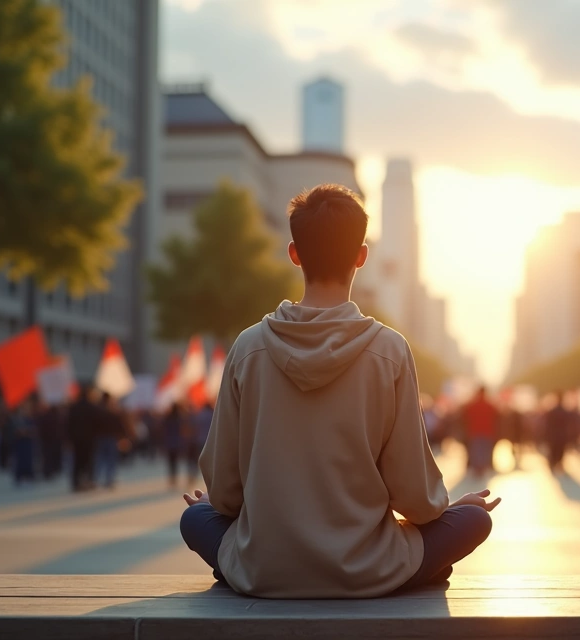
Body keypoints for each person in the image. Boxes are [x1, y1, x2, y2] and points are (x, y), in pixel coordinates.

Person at [179, 184, 496, 598]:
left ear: (294, 253)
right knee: (475, 521)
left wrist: (213, 510)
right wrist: (456, 510)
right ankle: (404, 573)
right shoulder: (389, 349)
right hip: (367, 568)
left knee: (195, 517)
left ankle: (245, 570)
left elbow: (224, 494)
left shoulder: (248, 347)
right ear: (361, 256)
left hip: (263, 568)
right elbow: (416, 501)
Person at [65, 386, 100, 492]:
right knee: (88, 461)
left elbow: (68, 425)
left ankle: (76, 483)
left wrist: (69, 439)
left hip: (76, 439)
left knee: (77, 461)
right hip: (89, 439)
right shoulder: (92, 407)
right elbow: (97, 424)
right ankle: (89, 481)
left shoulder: (74, 407)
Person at [462, 387, 499, 477]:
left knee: (476, 450)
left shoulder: (471, 405)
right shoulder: (490, 405)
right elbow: (496, 419)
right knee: (485, 450)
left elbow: (465, 418)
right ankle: (483, 467)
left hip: (474, 431)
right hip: (488, 431)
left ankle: (477, 468)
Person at [94, 392, 124, 489]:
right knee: (110, 460)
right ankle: (109, 480)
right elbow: (118, 424)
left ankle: (97, 479)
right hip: (110, 438)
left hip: (100, 438)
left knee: (100, 460)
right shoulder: (112, 410)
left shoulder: (97, 411)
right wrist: (122, 437)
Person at [543, 391, 574, 474]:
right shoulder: (565, 412)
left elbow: (547, 426)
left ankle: (553, 464)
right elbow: (569, 425)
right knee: (560, 452)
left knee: (554, 451)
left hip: (554, 436)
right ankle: (558, 464)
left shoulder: (552, 412)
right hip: (562, 436)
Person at [10, 396, 37, 485]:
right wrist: (20, 432)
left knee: (29, 459)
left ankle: (29, 476)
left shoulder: (31, 418)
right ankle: (20, 476)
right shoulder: (17, 419)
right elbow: (13, 430)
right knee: (20, 460)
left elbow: (34, 429)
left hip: (28, 441)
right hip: (20, 442)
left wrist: (27, 432)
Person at [162, 403, 187, 487]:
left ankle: (172, 479)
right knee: (175, 462)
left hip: (169, 443)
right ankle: (174, 479)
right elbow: (183, 431)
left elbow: (163, 430)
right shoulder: (180, 418)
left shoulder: (167, 418)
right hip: (177, 443)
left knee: (170, 462)